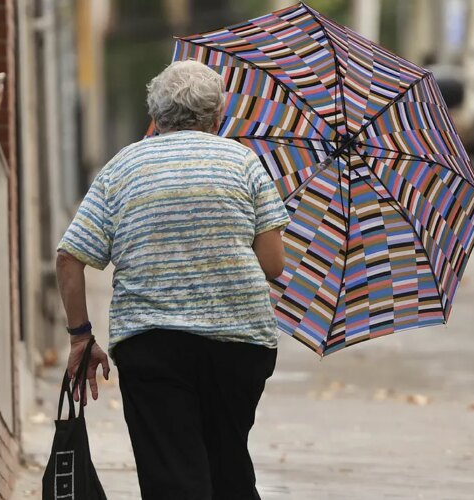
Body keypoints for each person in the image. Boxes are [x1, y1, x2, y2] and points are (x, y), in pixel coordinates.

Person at [55, 60, 290, 499]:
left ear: (155, 117)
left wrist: (80, 337)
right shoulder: (243, 162)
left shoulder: (123, 167)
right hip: (239, 344)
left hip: (152, 344)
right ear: (218, 116)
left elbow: (70, 257)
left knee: (173, 474)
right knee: (228, 464)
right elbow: (273, 265)